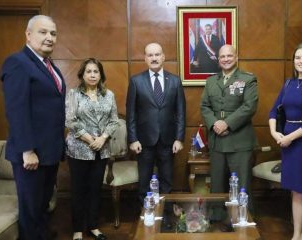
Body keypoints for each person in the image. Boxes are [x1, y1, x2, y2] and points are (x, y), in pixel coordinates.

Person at [0, 15, 65, 240]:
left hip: (48, 153)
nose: (49, 38)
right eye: (43, 32)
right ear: (28, 34)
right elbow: (16, 111)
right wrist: (27, 150)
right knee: (30, 211)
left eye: (53, 33)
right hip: (31, 155)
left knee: (42, 207)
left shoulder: (47, 65)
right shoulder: (17, 62)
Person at [269, 43, 302, 240]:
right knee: (295, 191)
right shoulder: (289, 84)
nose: (301, 61)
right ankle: (296, 235)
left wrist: (290, 137)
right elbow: (274, 110)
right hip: (287, 142)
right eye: (297, 57)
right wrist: (275, 133)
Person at [65, 58, 119, 240]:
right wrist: (90, 139)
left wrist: (102, 138)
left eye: (96, 71)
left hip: (101, 150)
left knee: (96, 189)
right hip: (78, 149)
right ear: (82, 74)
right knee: (79, 189)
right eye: (89, 71)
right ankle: (78, 229)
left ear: (101, 75)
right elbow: (70, 120)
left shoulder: (109, 95)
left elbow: (114, 120)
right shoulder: (74, 94)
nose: (93, 75)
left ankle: (93, 226)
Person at [126, 43, 186, 202]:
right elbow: (131, 113)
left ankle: (165, 216)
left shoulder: (175, 81)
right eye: (150, 55)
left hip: (168, 140)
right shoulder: (136, 81)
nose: (154, 58)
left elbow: (180, 111)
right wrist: (133, 139)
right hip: (144, 141)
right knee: (144, 182)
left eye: (157, 54)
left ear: (163, 57)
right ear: (145, 58)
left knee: (166, 181)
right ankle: (145, 217)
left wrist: (179, 138)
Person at [200, 44, 258, 202]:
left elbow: (249, 107)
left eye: (229, 56)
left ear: (236, 57)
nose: (226, 59)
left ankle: (242, 222)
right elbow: (205, 106)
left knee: (241, 185)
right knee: (217, 185)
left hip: (239, 140)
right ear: (218, 60)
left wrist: (227, 124)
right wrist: (214, 124)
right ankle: (216, 217)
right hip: (217, 140)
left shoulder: (248, 79)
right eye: (222, 57)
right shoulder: (211, 81)